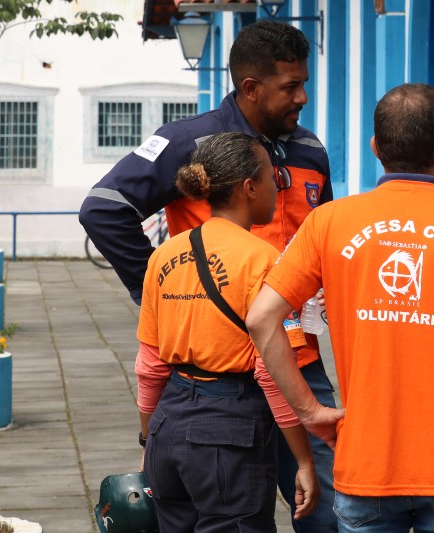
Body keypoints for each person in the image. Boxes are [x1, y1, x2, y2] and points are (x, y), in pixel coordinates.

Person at [79, 20, 338, 532]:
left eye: (304, 83)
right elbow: (103, 209)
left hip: (296, 361)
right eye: (290, 86)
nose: (303, 97)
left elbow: (322, 243)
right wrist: (160, 293)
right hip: (216, 377)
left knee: (331, 511)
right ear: (250, 88)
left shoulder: (309, 149)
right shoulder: (189, 141)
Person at [246, 83, 434, 533]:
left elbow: (261, 317)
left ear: (375, 148)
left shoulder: (328, 223)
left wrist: (309, 411)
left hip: (366, 468)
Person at [135, 132, 319, 532]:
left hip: (169, 422)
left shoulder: (164, 255)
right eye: (273, 178)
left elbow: (150, 364)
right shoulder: (264, 260)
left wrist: (149, 439)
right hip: (229, 432)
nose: (278, 186)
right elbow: (272, 373)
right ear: (249, 188)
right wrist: (304, 461)